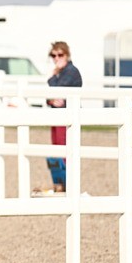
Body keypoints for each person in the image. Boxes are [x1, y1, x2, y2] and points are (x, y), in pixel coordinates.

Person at [45, 40, 82, 193]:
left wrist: (53, 77)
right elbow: (52, 97)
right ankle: (61, 183)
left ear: (66, 55)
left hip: (67, 117)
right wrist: (52, 98)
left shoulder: (71, 71)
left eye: (60, 55)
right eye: (53, 55)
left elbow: (58, 92)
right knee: (57, 149)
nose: (56, 58)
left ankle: (69, 184)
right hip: (58, 115)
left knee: (64, 149)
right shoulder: (63, 72)